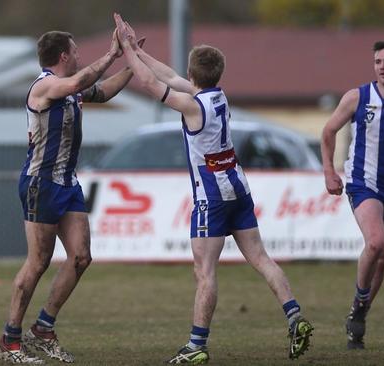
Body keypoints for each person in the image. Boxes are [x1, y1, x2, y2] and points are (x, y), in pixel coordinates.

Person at [113, 13, 313, 364]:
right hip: (238, 186)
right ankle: (295, 316)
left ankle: (196, 345)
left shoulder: (191, 104)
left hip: (213, 196)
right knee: (261, 258)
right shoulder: (217, 97)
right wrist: (139, 53)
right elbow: (168, 75)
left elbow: (149, 82)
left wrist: (127, 49)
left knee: (204, 272)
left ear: (193, 74)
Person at [0, 27, 137, 364]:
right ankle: (10, 339)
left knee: (80, 257)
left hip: (66, 182)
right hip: (40, 183)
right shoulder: (45, 85)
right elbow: (77, 83)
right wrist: (113, 53)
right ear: (63, 56)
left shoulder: (71, 89)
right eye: (75, 51)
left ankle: (43, 329)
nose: (79, 56)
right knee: (39, 262)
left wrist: (134, 62)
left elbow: (102, 92)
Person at [321, 41, 384, 350]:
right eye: (378, 61)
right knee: (375, 242)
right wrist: (329, 171)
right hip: (362, 182)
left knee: (381, 258)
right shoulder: (358, 97)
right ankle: (361, 302)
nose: (382, 66)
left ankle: (359, 312)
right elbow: (327, 132)